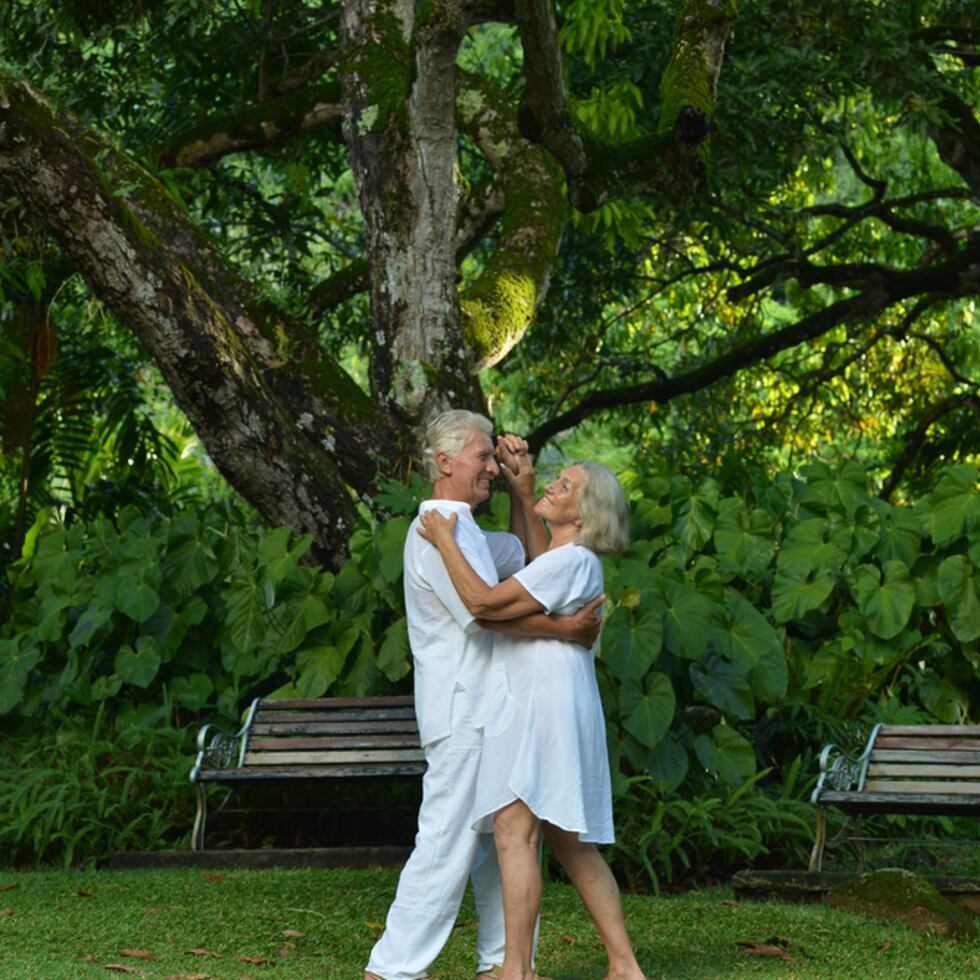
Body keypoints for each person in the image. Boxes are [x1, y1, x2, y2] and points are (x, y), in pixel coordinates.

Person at [365, 411, 603, 980]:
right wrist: (564, 631)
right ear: (444, 463)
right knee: (446, 841)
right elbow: (488, 615)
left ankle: (504, 963)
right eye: (482, 457)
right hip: (461, 710)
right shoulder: (435, 529)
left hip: (489, 711)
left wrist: (525, 491)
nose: (491, 468)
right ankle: (392, 969)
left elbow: (532, 562)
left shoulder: (464, 529)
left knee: (507, 838)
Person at [418, 460, 646, 980]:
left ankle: (514, 971)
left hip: (542, 705)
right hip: (555, 701)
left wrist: (444, 538)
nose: (551, 485)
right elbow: (530, 566)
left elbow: (482, 603)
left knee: (512, 830)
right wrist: (524, 496)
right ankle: (624, 966)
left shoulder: (572, 560)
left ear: (584, 515)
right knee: (568, 841)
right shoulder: (567, 560)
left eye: (564, 487)